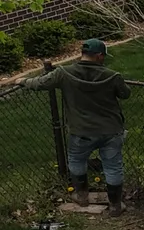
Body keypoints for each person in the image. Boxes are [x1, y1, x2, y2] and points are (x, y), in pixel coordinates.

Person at [24, 39, 132, 216]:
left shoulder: (64, 73)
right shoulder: (112, 76)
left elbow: (40, 83)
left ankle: (81, 195)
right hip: (111, 130)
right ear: (98, 56)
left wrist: (22, 80)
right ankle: (115, 206)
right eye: (103, 56)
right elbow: (126, 94)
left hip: (81, 131)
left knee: (76, 160)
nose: (103, 58)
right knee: (113, 166)